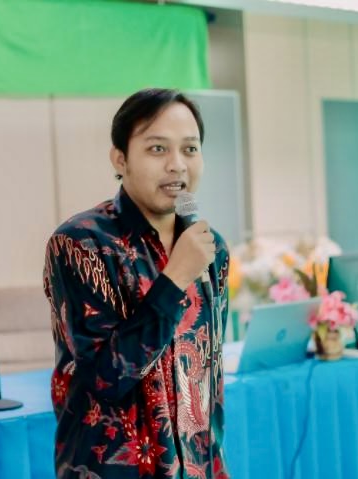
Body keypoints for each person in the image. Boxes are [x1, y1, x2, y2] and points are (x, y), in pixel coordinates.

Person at [43, 88, 231, 479]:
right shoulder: (81, 244)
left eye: (190, 149)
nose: (177, 165)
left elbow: (209, 381)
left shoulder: (210, 249)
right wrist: (174, 278)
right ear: (120, 158)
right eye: (157, 149)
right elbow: (105, 379)